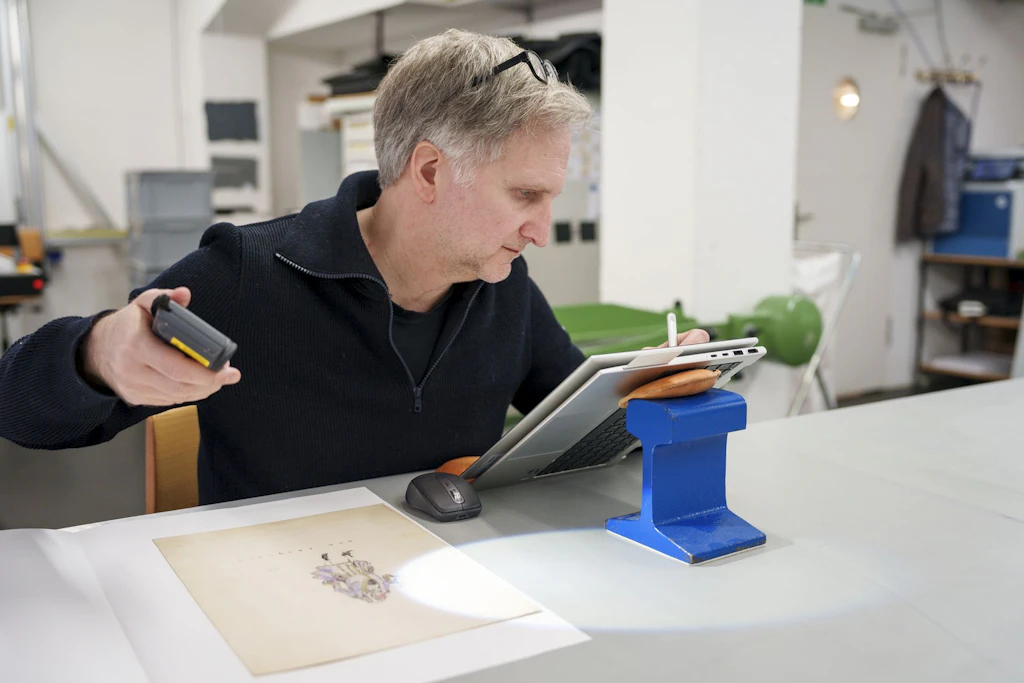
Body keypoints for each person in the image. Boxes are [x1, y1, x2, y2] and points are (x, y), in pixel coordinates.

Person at [0, 29, 708, 505]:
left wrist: (653, 391)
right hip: (275, 611)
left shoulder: (504, 287)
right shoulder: (248, 273)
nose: (542, 231)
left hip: (460, 595)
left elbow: (575, 419)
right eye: (525, 195)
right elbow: (17, 407)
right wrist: (95, 355)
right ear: (429, 169)